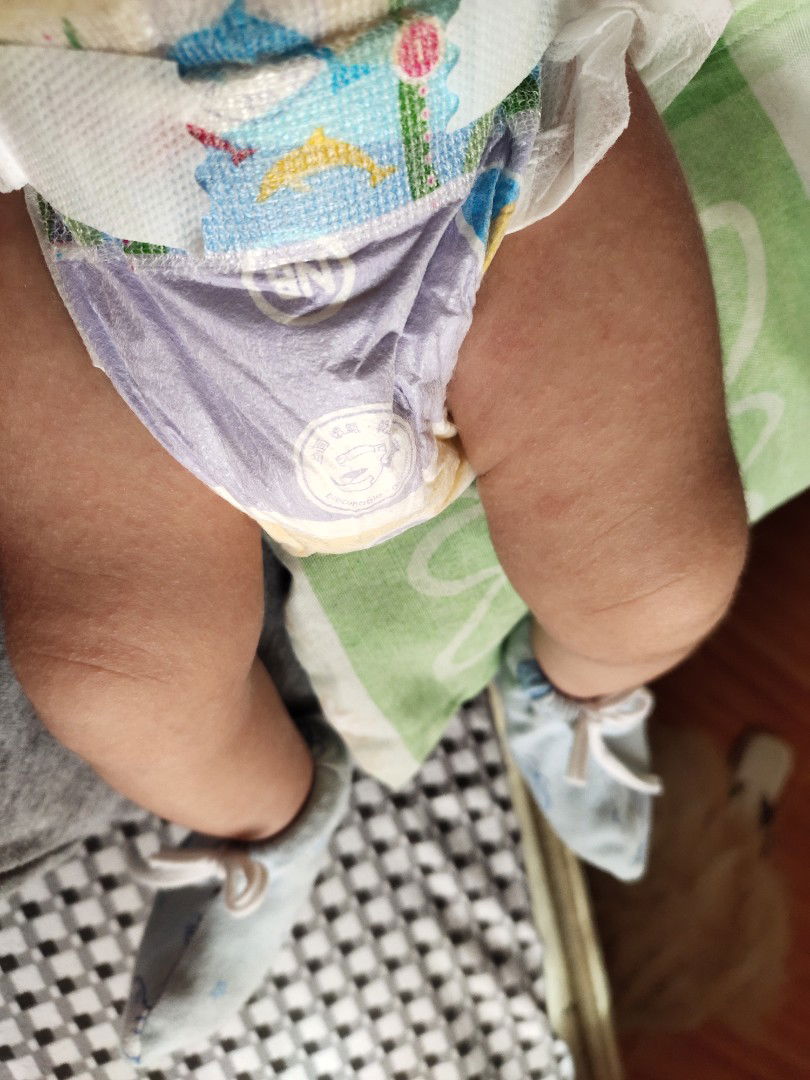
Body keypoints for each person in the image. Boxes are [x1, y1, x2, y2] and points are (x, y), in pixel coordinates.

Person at [0, 0, 746, 1063]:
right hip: (102, 238)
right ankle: (263, 815)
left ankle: (582, 684)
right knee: (113, 674)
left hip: (478, 152)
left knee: (663, 576)